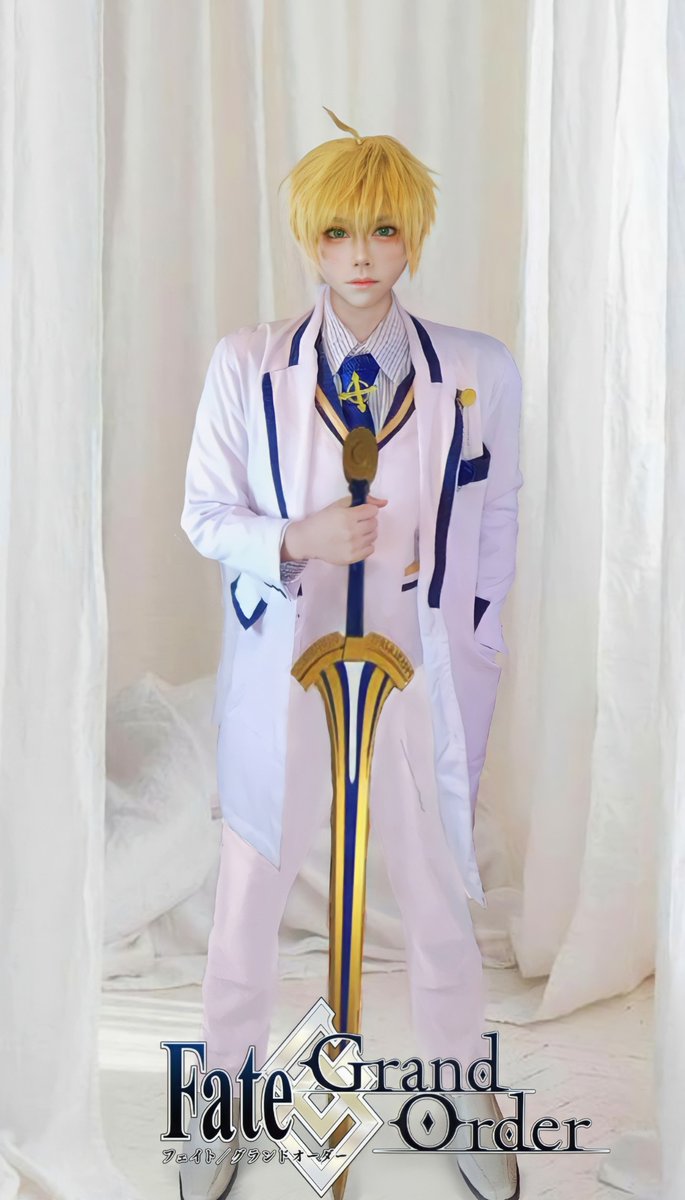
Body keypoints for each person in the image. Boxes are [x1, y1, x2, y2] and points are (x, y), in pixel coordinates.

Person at [179, 109, 523, 1200]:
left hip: (417, 662)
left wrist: (471, 628)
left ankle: (458, 1095)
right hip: (287, 655)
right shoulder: (247, 364)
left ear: (412, 235)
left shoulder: (475, 368)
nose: (361, 256)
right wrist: (296, 538)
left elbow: (497, 518)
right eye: (337, 232)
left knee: (433, 882)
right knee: (251, 879)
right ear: (307, 239)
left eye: (382, 229)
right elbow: (203, 514)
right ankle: (224, 1101)